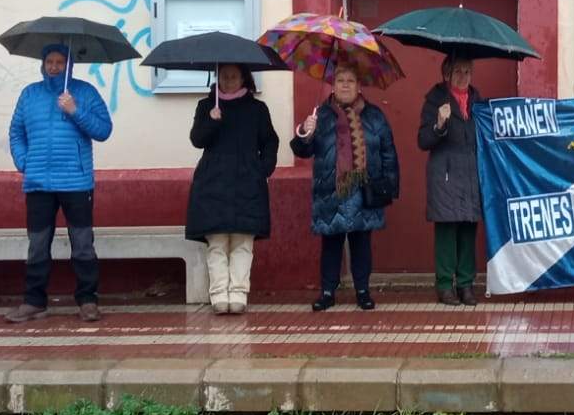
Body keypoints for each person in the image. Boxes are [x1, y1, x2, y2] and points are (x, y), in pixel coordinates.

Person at [4, 43, 113, 324]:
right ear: (42, 64)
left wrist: (75, 110)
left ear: (69, 66)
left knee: (82, 244)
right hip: (38, 183)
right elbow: (16, 132)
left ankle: (88, 301)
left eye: (59, 62)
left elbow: (104, 130)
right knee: (37, 244)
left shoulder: (85, 92)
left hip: (76, 183)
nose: (53, 66)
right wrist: (24, 162)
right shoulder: (29, 95)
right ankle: (34, 302)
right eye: (49, 61)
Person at [291, 66, 399, 312]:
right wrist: (306, 131)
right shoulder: (322, 115)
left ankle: (363, 291)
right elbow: (302, 150)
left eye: (351, 80)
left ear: (359, 86)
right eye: (340, 80)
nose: (346, 85)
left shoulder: (374, 116)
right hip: (330, 190)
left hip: (364, 190)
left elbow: (388, 153)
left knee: (361, 242)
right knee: (331, 243)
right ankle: (327, 292)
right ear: (333, 84)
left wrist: (389, 185)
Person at [187, 64, 278, 316]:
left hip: (247, 183)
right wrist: (212, 122)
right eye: (224, 76)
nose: (228, 81)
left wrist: (263, 168)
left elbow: (270, 140)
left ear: (243, 78)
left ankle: (238, 293)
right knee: (216, 243)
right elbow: (197, 139)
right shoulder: (207, 106)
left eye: (233, 76)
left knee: (243, 242)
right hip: (213, 183)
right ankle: (219, 294)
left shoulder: (257, 109)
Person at [417, 56, 484, 307]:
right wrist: (439, 124)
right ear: (446, 73)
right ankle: (445, 285)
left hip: (470, 175)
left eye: (467, 71)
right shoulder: (435, 99)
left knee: (468, 230)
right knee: (447, 232)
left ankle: (466, 285)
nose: (463, 76)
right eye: (458, 71)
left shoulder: (478, 101)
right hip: (445, 176)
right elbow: (423, 141)